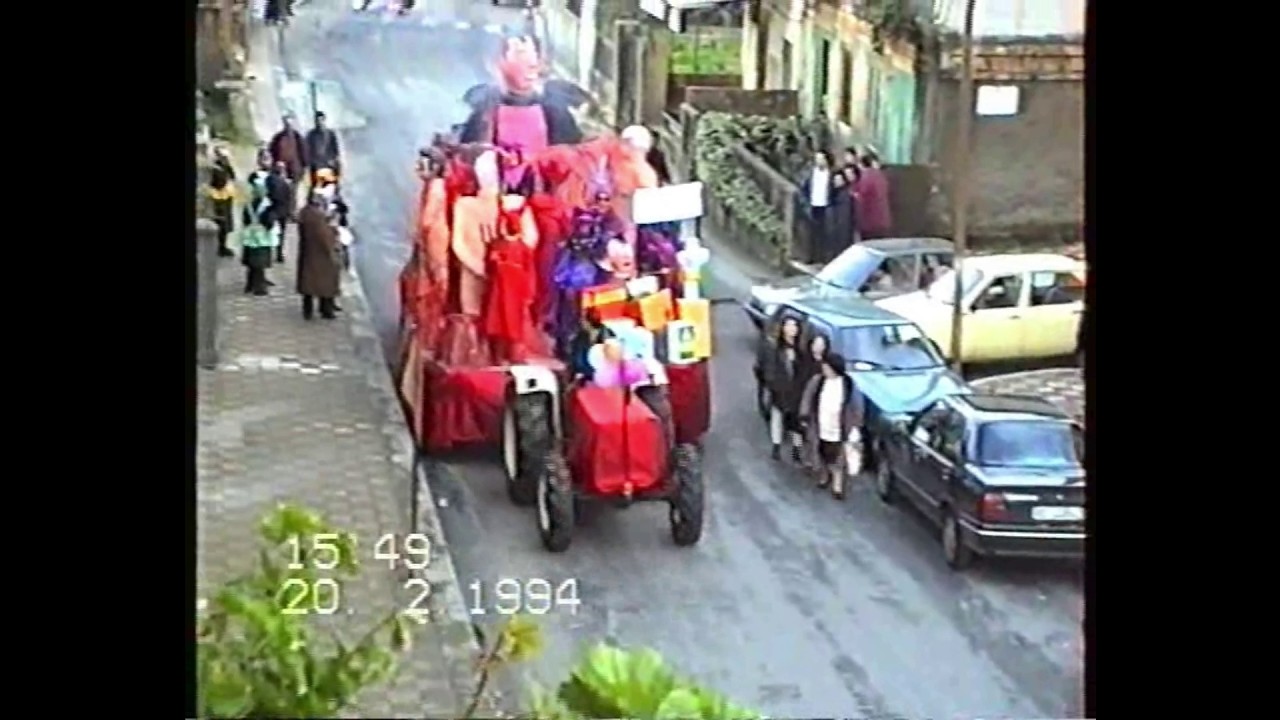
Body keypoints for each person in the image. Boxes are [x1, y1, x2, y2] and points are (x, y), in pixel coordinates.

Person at [799, 352, 864, 500]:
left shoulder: (848, 384)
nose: (824, 369)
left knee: (838, 454)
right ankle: (824, 474)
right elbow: (808, 397)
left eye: (827, 366)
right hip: (821, 424)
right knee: (822, 450)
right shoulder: (818, 381)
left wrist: (856, 424)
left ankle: (837, 484)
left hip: (840, 426)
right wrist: (804, 415)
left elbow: (857, 406)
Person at [764, 317, 806, 463]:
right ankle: (776, 446)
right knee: (778, 418)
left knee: (796, 423)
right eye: (788, 325)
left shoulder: (801, 349)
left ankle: (797, 450)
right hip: (780, 391)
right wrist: (775, 386)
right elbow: (769, 370)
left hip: (796, 392)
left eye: (794, 325)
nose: (792, 329)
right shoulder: (776, 348)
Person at [296, 192, 343, 320]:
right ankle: (326, 310)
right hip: (321, 255)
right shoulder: (317, 217)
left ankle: (307, 311)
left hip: (308, 252)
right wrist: (334, 237)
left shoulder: (305, 213)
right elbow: (325, 236)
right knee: (326, 282)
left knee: (307, 284)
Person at [798, 151, 846, 265]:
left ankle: (824, 258)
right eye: (817, 159)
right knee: (811, 233)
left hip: (826, 206)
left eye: (821, 159)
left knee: (826, 233)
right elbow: (803, 189)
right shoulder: (810, 173)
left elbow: (837, 189)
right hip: (812, 205)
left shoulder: (833, 173)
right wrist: (805, 202)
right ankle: (810, 256)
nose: (818, 161)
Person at [240, 175, 279, 296]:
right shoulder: (267, 205)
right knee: (259, 262)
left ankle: (250, 284)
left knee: (252, 261)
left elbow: (245, 219)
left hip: (250, 235)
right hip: (263, 237)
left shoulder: (249, 203)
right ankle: (259, 287)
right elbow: (269, 221)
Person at [854, 147, 893, 240]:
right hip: (883, 220)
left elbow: (862, 197)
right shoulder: (881, 175)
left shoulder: (866, 177)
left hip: (870, 221)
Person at [568, 309, 614, 382]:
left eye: (583, 320)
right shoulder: (580, 335)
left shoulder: (608, 336)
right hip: (586, 376)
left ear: (588, 322)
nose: (581, 322)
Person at [207, 146, 237, 258]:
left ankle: (223, 246)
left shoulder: (225, 167)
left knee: (226, 224)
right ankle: (220, 247)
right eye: (224, 156)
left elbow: (233, 176)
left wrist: (229, 165)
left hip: (227, 198)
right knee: (222, 223)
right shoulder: (216, 168)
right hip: (220, 199)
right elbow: (220, 183)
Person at [268, 114, 308, 187]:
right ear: (284, 123)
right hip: (281, 170)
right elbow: (271, 152)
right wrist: (274, 165)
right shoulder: (278, 138)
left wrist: (304, 166)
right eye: (286, 122)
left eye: (290, 123)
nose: (288, 125)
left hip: (295, 170)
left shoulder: (297, 137)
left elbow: (304, 152)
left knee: (293, 191)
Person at [268, 160, 295, 263]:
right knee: (281, 233)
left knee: (270, 231)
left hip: (272, 209)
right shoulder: (286, 183)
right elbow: (289, 199)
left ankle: (270, 252)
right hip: (282, 211)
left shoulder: (269, 180)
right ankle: (279, 254)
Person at [305, 111, 342, 188]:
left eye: (321, 120)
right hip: (316, 165)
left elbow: (335, 148)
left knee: (331, 186)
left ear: (324, 120)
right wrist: (311, 162)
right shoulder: (311, 135)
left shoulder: (330, 133)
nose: (319, 122)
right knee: (317, 187)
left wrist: (333, 159)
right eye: (317, 121)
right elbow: (307, 150)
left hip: (328, 164)